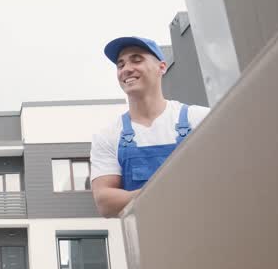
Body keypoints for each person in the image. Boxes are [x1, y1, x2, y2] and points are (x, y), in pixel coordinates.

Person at [90, 36, 211, 218]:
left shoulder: (200, 120)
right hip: (146, 242)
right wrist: (161, 192)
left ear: (162, 67)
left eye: (136, 60)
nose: (127, 69)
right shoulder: (108, 136)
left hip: (206, 234)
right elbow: (105, 202)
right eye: (120, 65)